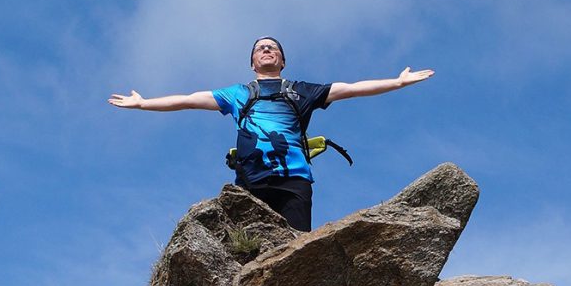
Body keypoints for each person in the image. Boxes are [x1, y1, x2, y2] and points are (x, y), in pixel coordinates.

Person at [108, 36, 434, 232]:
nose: (266, 50)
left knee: (296, 246)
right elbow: (188, 100)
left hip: (294, 180)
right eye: (260, 48)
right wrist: (144, 103)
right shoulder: (238, 94)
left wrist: (397, 82)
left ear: (281, 60)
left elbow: (349, 89)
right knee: (245, 247)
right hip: (251, 180)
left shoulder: (300, 91)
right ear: (253, 62)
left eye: (272, 48)